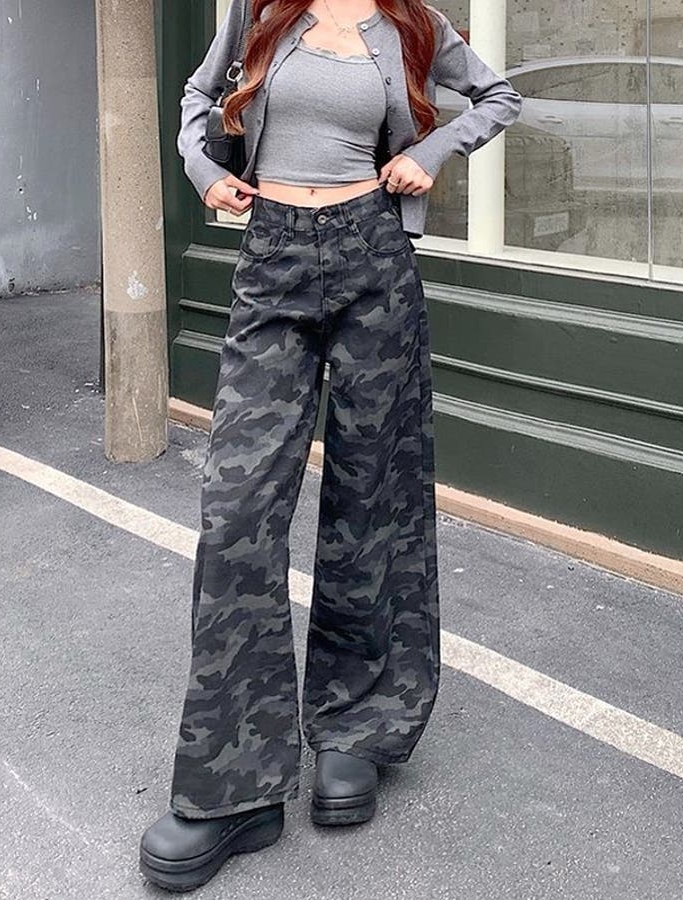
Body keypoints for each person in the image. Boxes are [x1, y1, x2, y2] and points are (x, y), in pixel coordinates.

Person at [140, 0, 522, 891]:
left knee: (371, 495)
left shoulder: (412, 22)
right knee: (237, 511)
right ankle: (234, 784)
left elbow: (498, 96)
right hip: (271, 259)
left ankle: (358, 726)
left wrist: (433, 151)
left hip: (373, 259)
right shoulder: (260, 12)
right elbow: (197, 99)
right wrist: (202, 169)